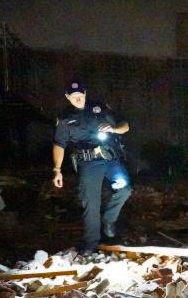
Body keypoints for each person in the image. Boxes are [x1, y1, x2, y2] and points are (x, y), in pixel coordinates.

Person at [52, 81, 132, 253]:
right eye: (74, 96)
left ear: (85, 93)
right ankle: (91, 242)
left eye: (80, 95)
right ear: (68, 97)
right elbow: (59, 144)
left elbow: (125, 126)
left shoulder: (99, 108)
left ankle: (109, 220)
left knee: (125, 188)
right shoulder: (65, 118)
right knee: (91, 202)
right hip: (88, 163)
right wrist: (57, 170)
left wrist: (113, 129)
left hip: (110, 158)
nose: (78, 99)